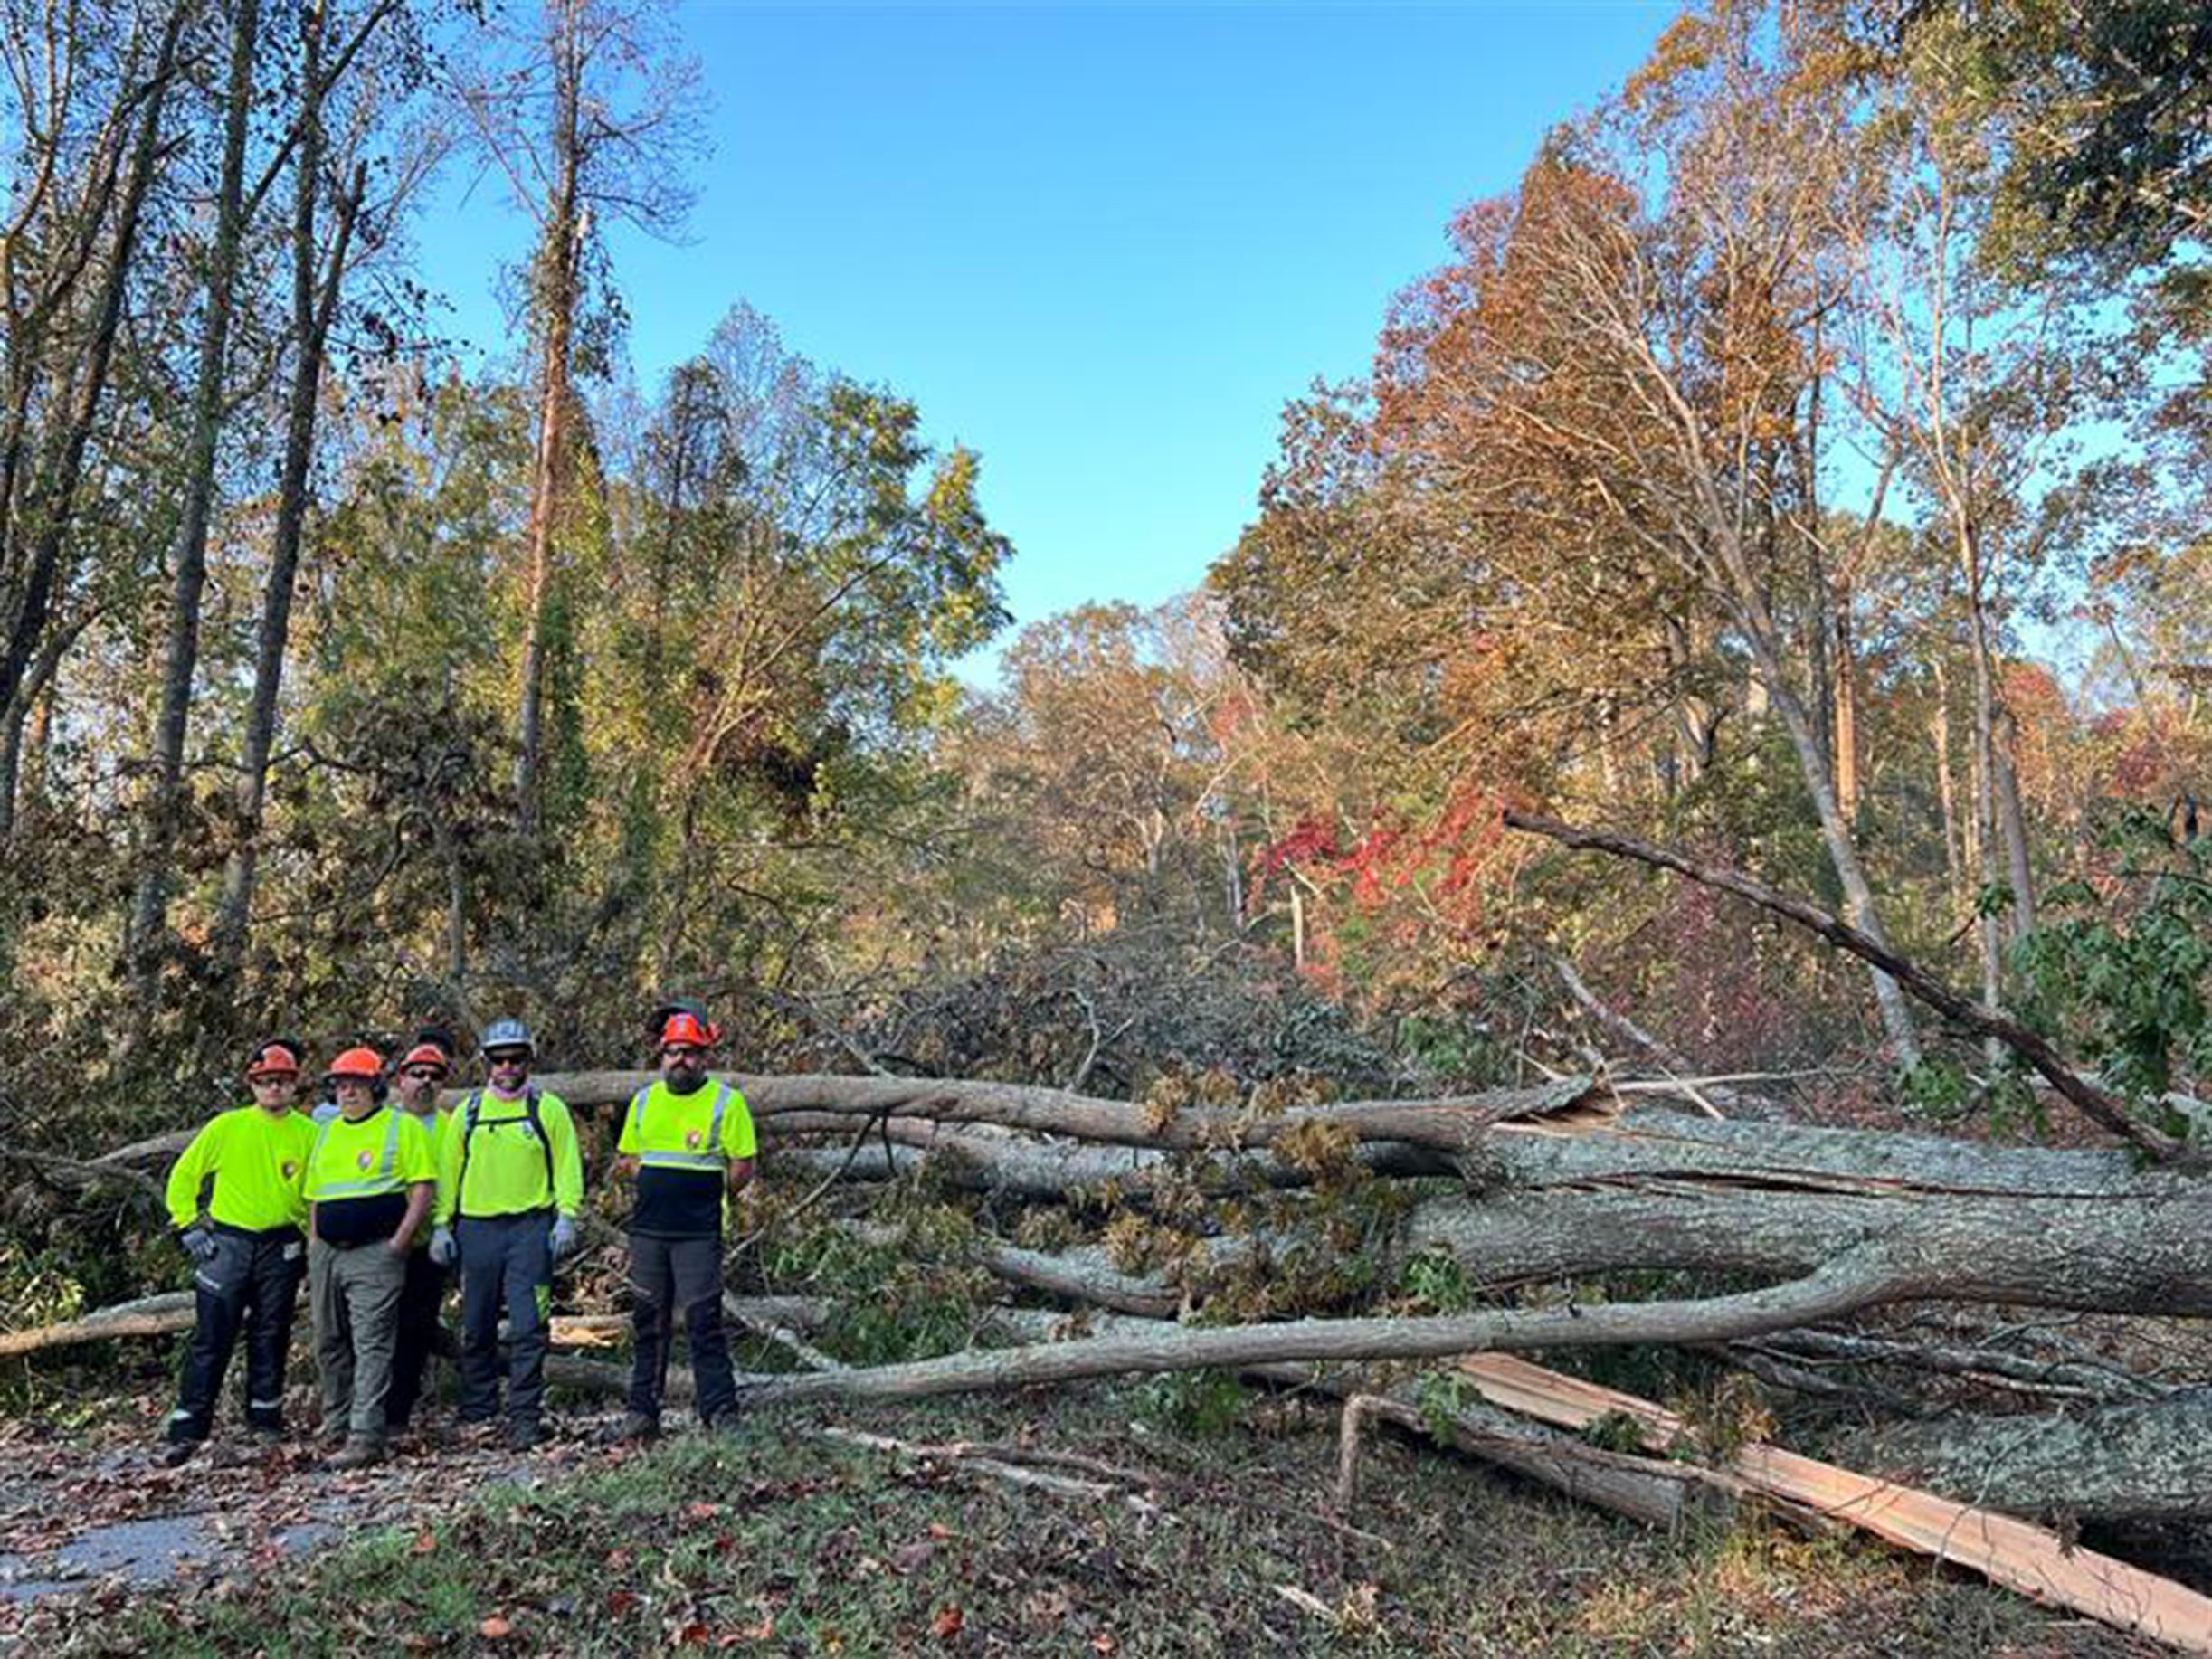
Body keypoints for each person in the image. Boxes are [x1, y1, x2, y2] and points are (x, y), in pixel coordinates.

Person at [158, 1037, 316, 1465]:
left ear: (294, 1084)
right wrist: (187, 1223)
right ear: (253, 1085)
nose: (274, 1088)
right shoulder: (226, 1127)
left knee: (271, 1335)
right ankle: (188, 1429)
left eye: (282, 1080)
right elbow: (185, 1175)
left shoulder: (309, 1133)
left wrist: (313, 1246)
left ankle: (264, 1422)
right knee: (212, 1337)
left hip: (282, 1245)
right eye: (266, 1081)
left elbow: (318, 1194)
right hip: (227, 1244)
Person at [427, 1019, 583, 1451]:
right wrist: (441, 1225)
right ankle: (479, 1407)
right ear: (486, 1064)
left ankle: (525, 1415)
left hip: (531, 1229)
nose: (507, 1067)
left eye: (516, 1059)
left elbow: (568, 1165)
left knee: (530, 1325)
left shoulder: (547, 1109)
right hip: (477, 1230)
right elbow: (448, 1171)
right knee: (476, 1324)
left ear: (528, 1061)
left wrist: (567, 1216)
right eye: (499, 1059)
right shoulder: (469, 1112)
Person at [615, 1007, 755, 1442]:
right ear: (661, 1055)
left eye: (690, 1052)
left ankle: (720, 1412)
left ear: (705, 1057)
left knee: (703, 1322)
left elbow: (743, 1166)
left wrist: (705, 1193)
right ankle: (642, 1413)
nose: (681, 1060)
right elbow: (628, 1160)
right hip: (649, 1231)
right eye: (673, 1052)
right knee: (647, 1323)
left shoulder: (725, 1103)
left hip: (700, 1232)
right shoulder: (643, 1101)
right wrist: (660, 1183)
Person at [305, 1046, 435, 1469]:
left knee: (372, 1343)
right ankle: (336, 1422)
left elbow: (422, 1190)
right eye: (341, 1086)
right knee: (328, 1340)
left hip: (376, 1254)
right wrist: (314, 1245)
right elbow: (314, 1195)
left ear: (376, 1087)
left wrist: (399, 1242)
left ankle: (366, 1436)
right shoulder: (326, 1132)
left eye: (357, 1085)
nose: (348, 1093)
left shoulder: (402, 1128)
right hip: (328, 1252)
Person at [384, 1031, 456, 1434]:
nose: (425, 1081)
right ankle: (363, 1410)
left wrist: (448, 1227)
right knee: (374, 1328)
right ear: (401, 1080)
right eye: (417, 1074)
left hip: (431, 1243)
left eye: (434, 1075)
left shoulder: (452, 1124)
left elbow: (457, 1180)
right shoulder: (384, 1123)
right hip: (381, 1242)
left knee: (415, 1327)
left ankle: (399, 1413)